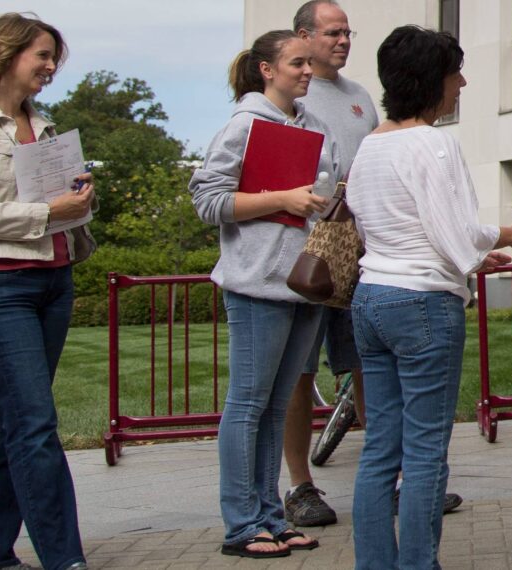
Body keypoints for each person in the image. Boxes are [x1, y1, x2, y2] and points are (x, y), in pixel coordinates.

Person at [348, 25, 512, 569]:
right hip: (421, 305)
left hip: (371, 298)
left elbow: (390, 230)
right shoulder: (434, 144)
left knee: (378, 451)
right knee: (423, 456)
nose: (461, 83)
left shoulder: (369, 146)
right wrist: (502, 237)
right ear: (430, 80)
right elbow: (455, 232)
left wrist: (467, 254)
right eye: (454, 73)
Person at [282, 0, 462, 528]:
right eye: (331, 32)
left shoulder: (361, 99)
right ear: (302, 36)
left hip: (365, 252)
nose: (342, 41)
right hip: (308, 251)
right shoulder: (288, 96)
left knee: (366, 369)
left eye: (347, 32)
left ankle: (402, 480)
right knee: (300, 370)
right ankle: (300, 485)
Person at [188, 29, 339, 559]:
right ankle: (241, 524)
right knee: (248, 404)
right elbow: (207, 201)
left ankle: (272, 517)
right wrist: (282, 197)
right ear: (266, 70)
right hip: (256, 283)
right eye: (296, 62)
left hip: (303, 284)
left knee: (276, 408)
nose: (306, 70)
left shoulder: (315, 125)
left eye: (307, 63)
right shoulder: (244, 125)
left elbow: (319, 199)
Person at [0, 12, 96, 570]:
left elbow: (59, 211)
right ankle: (65, 558)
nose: (50, 67)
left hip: (53, 281)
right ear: (5, 55)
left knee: (9, 420)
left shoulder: (45, 129)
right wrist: (48, 211)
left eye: (52, 58)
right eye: (42, 56)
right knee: (35, 426)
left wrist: (80, 203)